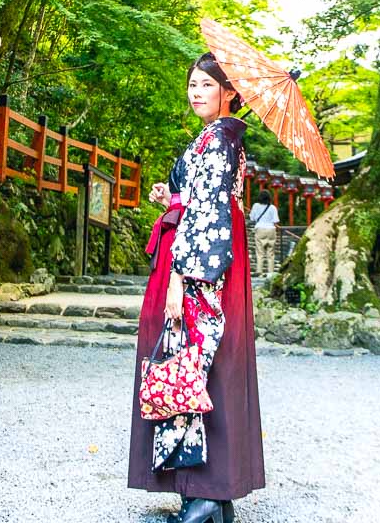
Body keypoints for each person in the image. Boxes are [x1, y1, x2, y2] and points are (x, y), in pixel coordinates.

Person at [128, 52, 265, 523]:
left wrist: (179, 277)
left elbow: (209, 216)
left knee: (192, 362)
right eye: (192, 83)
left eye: (207, 84)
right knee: (204, 364)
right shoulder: (214, 138)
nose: (196, 91)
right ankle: (211, 494)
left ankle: (204, 494)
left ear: (229, 93)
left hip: (200, 264)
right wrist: (172, 197)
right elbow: (201, 201)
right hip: (205, 252)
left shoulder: (220, 140)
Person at [246, 190, 279, 276]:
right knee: (270, 253)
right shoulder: (272, 207)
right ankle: (270, 272)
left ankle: (259, 271)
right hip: (271, 229)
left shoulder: (256, 206)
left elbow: (252, 218)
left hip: (260, 228)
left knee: (260, 252)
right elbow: (276, 220)